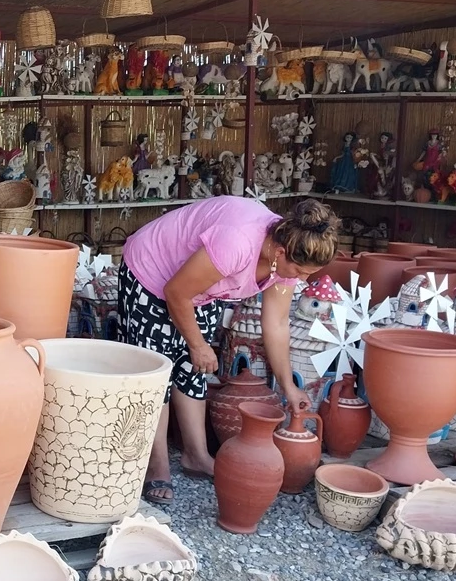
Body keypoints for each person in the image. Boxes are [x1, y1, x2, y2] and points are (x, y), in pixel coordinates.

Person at [118, 197, 339, 505]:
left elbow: (275, 324)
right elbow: (176, 292)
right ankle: (157, 466)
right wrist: (197, 344)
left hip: (200, 287)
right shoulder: (235, 243)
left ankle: (196, 456)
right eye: (301, 271)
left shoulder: (288, 251)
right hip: (153, 271)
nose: (301, 280)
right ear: (279, 252)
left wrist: (288, 386)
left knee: (193, 369)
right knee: (157, 377)